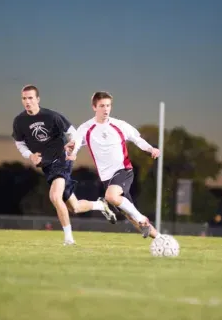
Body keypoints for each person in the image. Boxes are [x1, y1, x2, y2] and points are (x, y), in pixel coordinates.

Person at [12, 85, 117, 245]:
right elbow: (19, 143)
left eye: (31, 98)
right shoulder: (19, 121)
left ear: (38, 99)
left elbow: (74, 133)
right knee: (74, 207)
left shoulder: (51, 116)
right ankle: (100, 204)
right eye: (24, 98)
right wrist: (30, 155)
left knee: (54, 196)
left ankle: (69, 240)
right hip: (47, 167)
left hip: (62, 160)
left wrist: (72, 148)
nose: (27, 101)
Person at [65, 91, 162, 240]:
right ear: (94, 107)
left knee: (111, 197)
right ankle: (161, 239)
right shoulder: (86, 128)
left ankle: (142, 218)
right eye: (102, 106)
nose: (106, 109)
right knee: (130, 216)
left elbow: (137, 139)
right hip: (106, 179)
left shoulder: (119, 125)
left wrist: (150, 149)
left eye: (108, 106)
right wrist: (73, 153)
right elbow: (76, 144)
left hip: (123, 170)